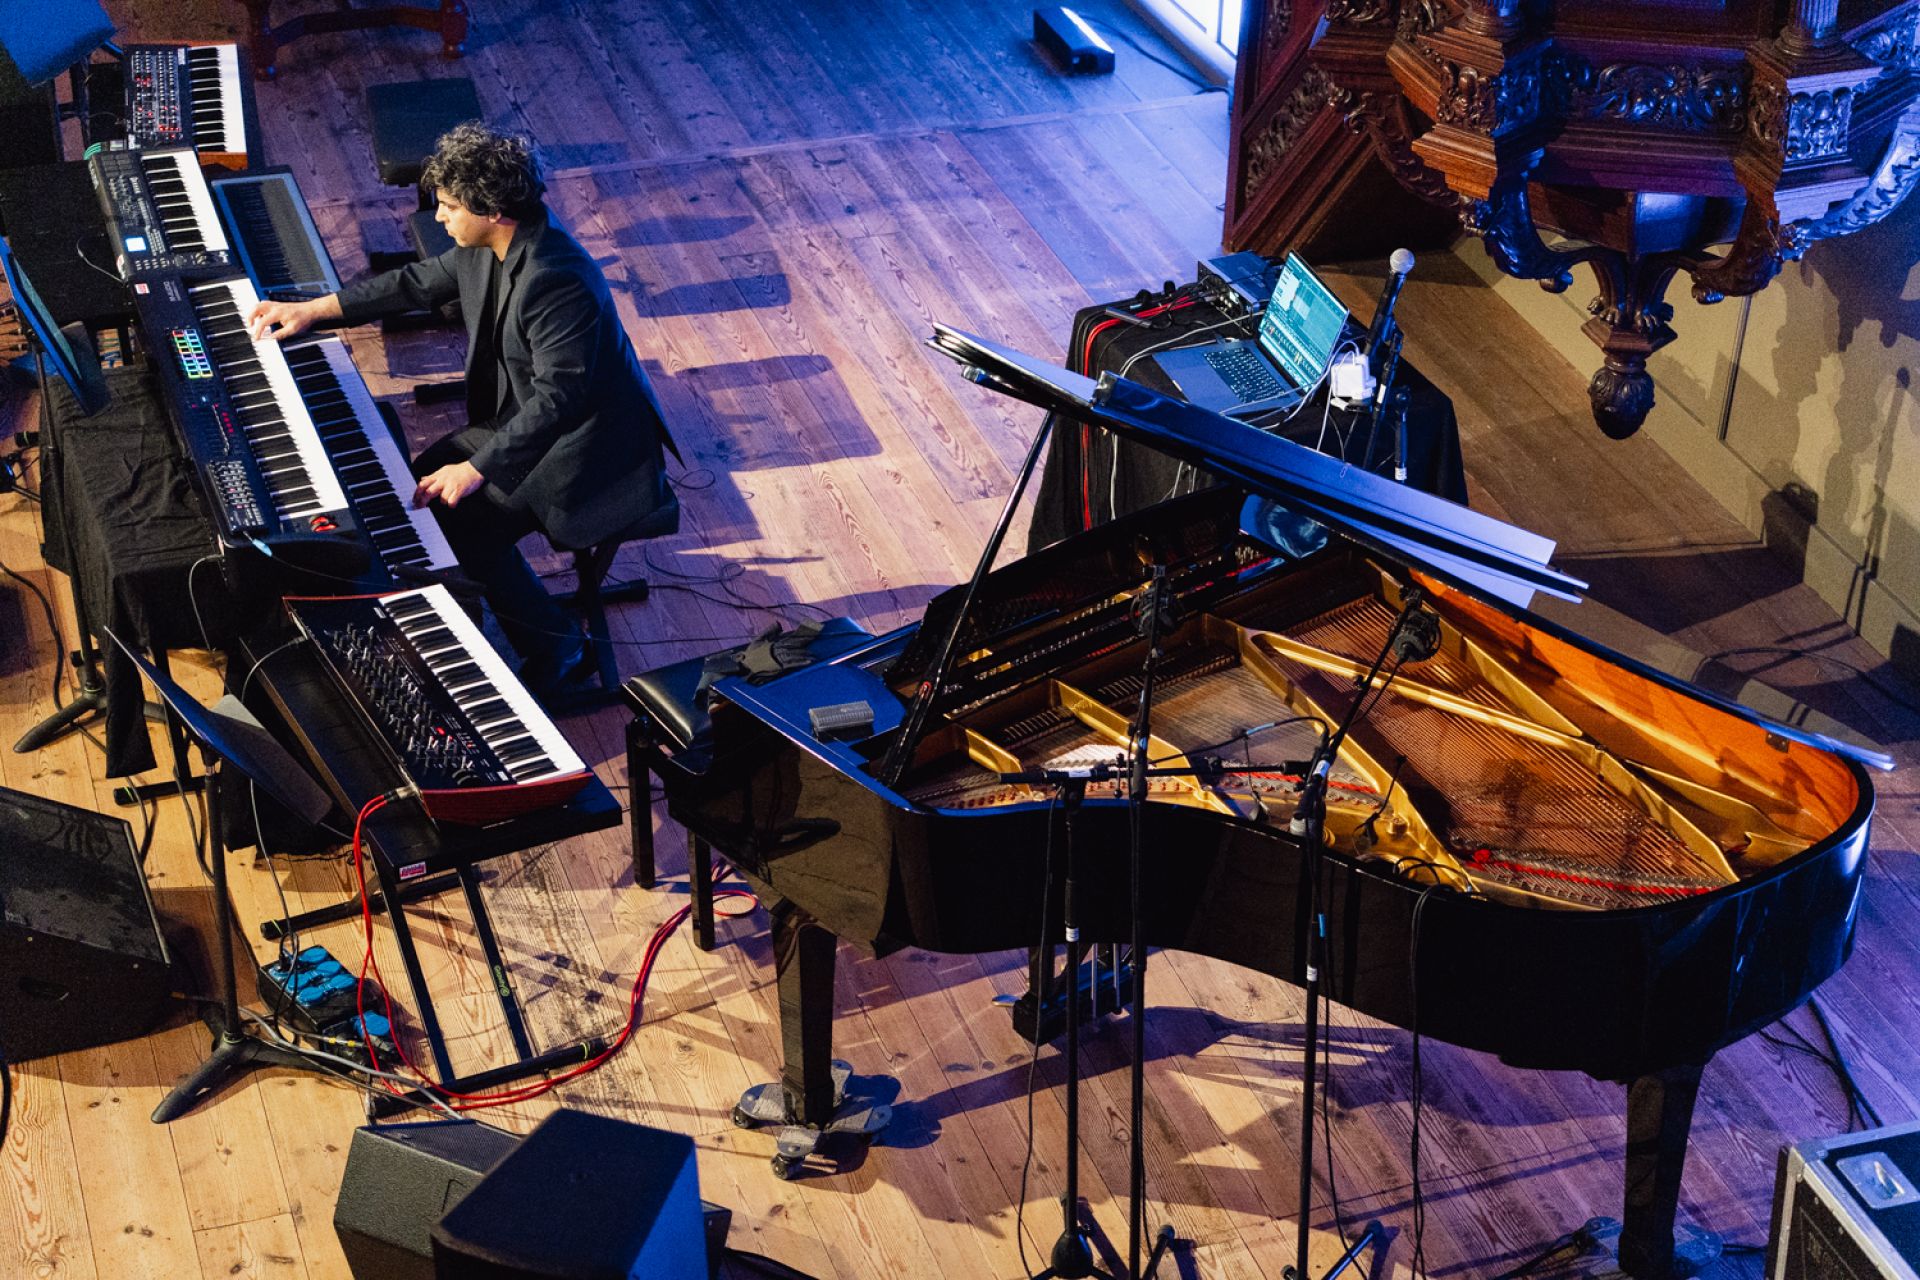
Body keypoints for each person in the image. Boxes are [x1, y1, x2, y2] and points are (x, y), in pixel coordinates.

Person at [246, 121, 676, 696]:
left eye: (449, 206)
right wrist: (317, 309)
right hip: (532, 421)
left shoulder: (556, 279)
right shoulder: (488, 245)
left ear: (494, 210)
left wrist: (476, 468)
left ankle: (559, 646)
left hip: (588, 449)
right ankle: (492, 606)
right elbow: (417, 281)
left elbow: (560, 399)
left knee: (461, 519)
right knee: (427, 484)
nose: (440, 217)